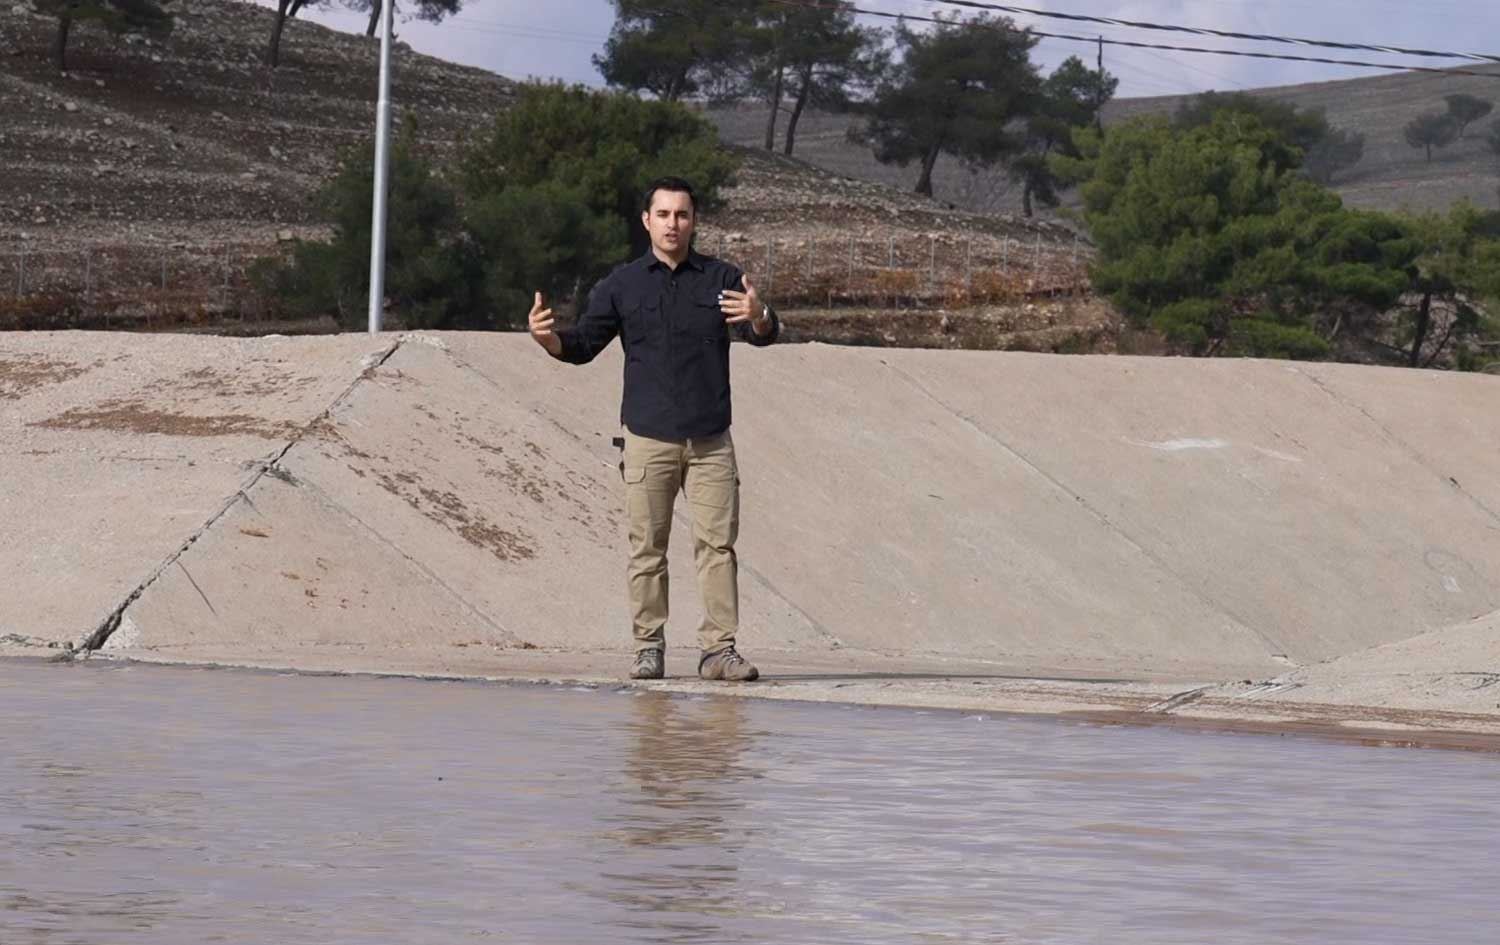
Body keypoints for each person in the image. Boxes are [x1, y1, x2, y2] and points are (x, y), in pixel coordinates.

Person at [526, 176, 780, 682]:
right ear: (646, 221)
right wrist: (548, 340)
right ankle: (648, 648)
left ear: (693, 221)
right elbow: (582, 346)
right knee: (647, 549)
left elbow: (765, 336)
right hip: (647, 440)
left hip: (710, 441)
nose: (672, 224)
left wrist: (761, 314)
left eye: (682, 215)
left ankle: (718, 652)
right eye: (663, 215)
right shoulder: (621, 285)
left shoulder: (722, 278)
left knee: (717, 547)